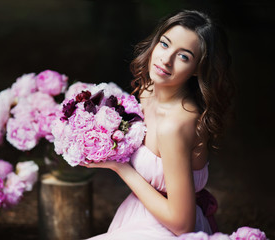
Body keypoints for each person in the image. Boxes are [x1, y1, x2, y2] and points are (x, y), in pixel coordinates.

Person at [82, 9, 234, 239]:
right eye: (164, 44)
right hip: (139, 213)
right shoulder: (147, 91)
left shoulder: (174, 125)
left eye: (184, 56)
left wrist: (120, 167)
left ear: (198, 69)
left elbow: (182, 225)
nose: (166, 59)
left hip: (167, 229)